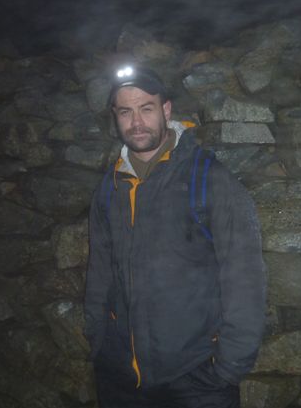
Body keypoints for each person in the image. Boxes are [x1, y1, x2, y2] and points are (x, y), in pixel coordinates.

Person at [84, 65, 267, 408]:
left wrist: (228, 368)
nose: (136, 122)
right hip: (120, 378)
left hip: (196, 379)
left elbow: (245, 278)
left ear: (166, 110)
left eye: (146, 108)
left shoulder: (210, 180)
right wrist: (99, 342)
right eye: (126, 111)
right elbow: (99, 272)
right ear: (115, 116)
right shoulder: (109, 188)